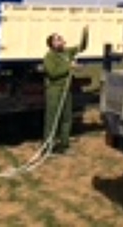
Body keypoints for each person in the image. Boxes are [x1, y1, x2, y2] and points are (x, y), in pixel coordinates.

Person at [43, 26, 88, 154]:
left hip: (66, 90)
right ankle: (48, 146)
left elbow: (82, 47)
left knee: (66, 118)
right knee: (52, 119)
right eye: (57, 39)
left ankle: (64, 145)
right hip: (54, 91)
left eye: (60, 38)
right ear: (52, 44)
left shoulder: (67, 52)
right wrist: (69, 67)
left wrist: (85, 34)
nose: (60, 40)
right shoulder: (49, 57)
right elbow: (53, 73)